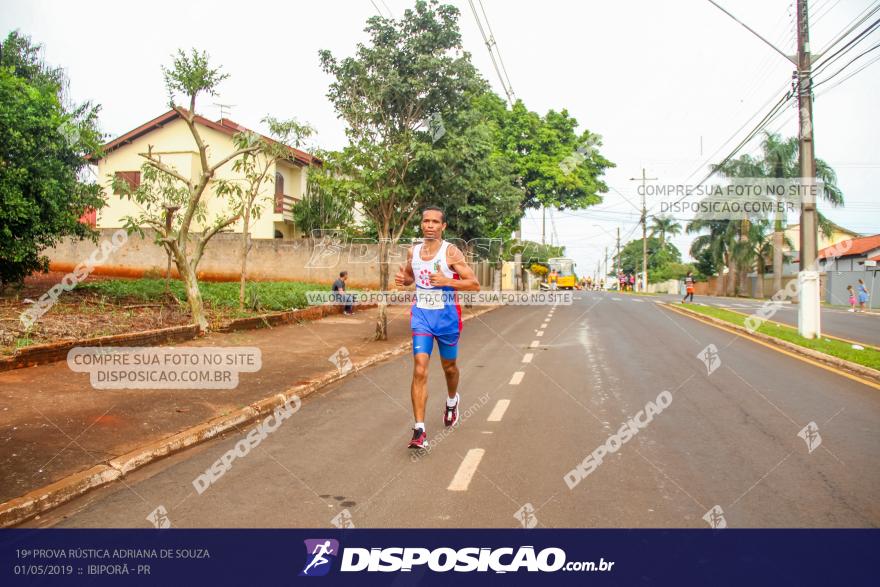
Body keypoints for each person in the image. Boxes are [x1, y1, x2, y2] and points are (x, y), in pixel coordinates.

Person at [395, 206, 480, 449]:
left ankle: (452, 400)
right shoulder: (413, 251)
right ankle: (419, 430)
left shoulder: (450, 252)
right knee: (420, 369)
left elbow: (474, 284)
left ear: (443, 227)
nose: (430, 225)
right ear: (421, 224)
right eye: (426, 221)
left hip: (447, 317)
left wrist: (447, 281)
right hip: (421, 315)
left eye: (435, 222)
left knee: (449, 368)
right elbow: (412, 276)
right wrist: (405, 280)